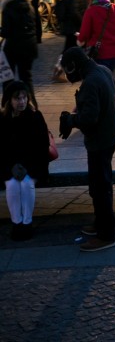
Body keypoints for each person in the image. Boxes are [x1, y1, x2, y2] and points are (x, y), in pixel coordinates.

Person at [59, 46, 115, 252]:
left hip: (100, 140)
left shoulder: (90, 82)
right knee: (100, 182)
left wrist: (70, 119)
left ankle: (106, 235)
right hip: (110, 135)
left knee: (100, 186)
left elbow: (89, 119)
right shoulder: (102, 70)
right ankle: (100, 224)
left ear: (73, 66)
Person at [0, 79, 50, 240]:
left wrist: (26, 167)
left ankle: (27, 223)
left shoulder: (35, 117)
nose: (21, 102)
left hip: (33, 165)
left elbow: (42, 147)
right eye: (17, 98)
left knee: (27, 184)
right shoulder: (2, 119)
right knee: (13, 185)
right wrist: (12, 167)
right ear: (9, 100)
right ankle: (17, 223)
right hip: (8, 166)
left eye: (24, 97)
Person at [0, 0, 38, 106]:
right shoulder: (30, 6)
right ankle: (32, 104)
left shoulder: (8, 8)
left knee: (8, 78)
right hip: (29, 46)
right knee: (26, 77)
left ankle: (6, 105)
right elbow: (36, 26)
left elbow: (6, 31)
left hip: (13, 47)